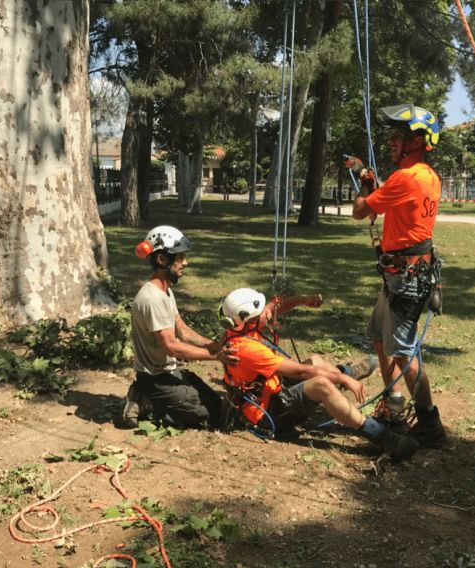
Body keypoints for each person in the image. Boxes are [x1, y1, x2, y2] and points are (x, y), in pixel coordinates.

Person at [219, 287, 418, 461]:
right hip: (268, 416)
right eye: (261, 313)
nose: (268, 313)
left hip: (271, 388)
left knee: (315, 359)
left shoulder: (239, 329)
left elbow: (273, 307)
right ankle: (382, 436)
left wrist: (302, 300)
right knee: (320, 384)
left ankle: (347, 372)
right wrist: (343, 380)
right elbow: (302, 371)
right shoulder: (248, 350)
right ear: (250, 321)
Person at [351, 103, 447, 447]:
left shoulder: (407, 177)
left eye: (398, 137)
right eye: (392, 136)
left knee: (404, 353)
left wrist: (364, 182)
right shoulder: (428, 176)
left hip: (405, 279)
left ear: (417, 142)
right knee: (379, 336)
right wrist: (375, 185)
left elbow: (359, 212)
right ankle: (394, 408)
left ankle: (430, 422)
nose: (391, 142)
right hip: (404, 275)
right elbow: (395, 208)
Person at [121, 225, 238, 430]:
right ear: (162, 259)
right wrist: (216, 356)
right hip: (155, 378)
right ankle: (145, 399)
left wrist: (214, 344)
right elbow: (172, 347)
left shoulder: (165, 290)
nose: (186, 262)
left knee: (216, 405)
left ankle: (145, 396)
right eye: (180, 257)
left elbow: (182, 330)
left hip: (170, 371)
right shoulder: (152, 299)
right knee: (206, 416)